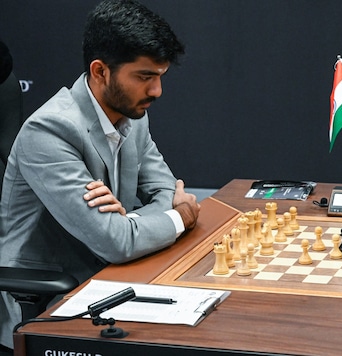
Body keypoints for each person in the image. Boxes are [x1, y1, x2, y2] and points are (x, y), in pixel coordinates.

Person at [0, 0, 200, 350]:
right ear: (100, 71)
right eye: (145, 77)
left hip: (116, 278)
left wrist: (131, 222)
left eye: (159, 76)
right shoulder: (49, 131)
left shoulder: (132, 113)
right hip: (50, 303)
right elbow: (121, 240)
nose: (156, 91)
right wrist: (178, 217)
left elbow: (165, 191)